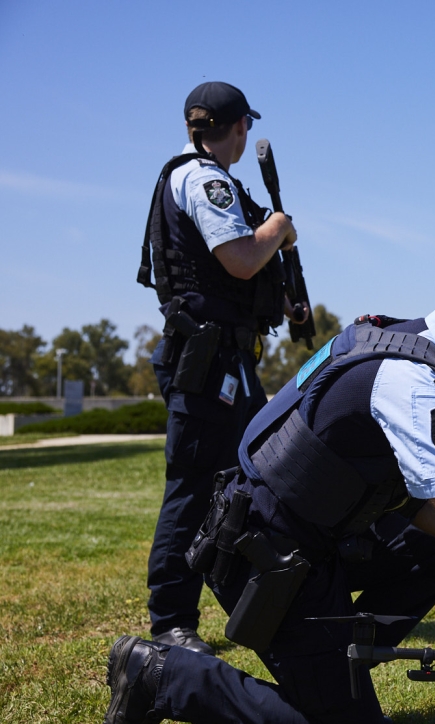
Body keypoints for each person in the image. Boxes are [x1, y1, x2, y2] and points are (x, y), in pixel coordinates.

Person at [103, 260, 435, 724]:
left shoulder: (384, 335)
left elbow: (411, 501)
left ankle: (335, 671)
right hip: (267, 558)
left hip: (288, 530)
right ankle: (159, 675)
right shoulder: (415, 384)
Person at [137, 81, 306, 655]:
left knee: (251, 479)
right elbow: (237, 259)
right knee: (192, 489)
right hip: (207, 363)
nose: (247, 137)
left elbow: (232, 275)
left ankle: (261, 602)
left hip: (227, 358)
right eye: (246, 128)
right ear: (236, 128)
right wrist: (279, 228)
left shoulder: (211, 180)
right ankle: (172, 624)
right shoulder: (204, 179)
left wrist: (283, 301)